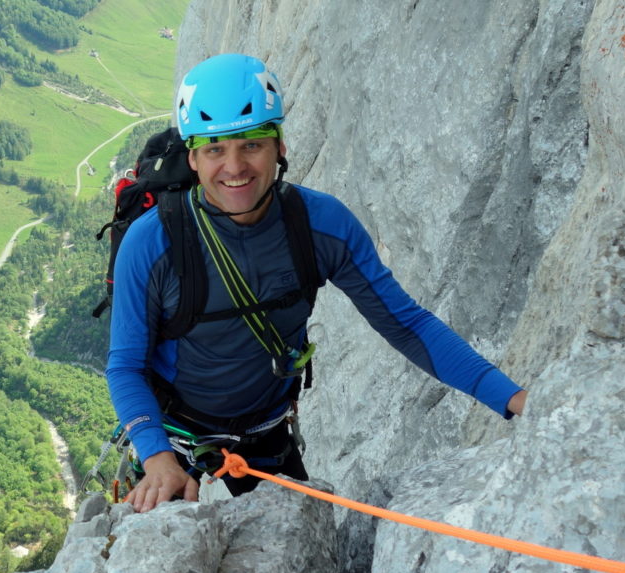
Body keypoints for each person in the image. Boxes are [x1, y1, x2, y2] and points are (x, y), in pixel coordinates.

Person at [105, 53, 527, 513]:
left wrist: (512, 399)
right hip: (173, 437)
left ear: (279, 146)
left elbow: (407, 325)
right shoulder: (154, 242)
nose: (234, 166)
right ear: (193, 157)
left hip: (266, 429)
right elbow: (125, 365)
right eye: (215, 149)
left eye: (251, 144)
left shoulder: (321, 226)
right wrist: (156, 456)